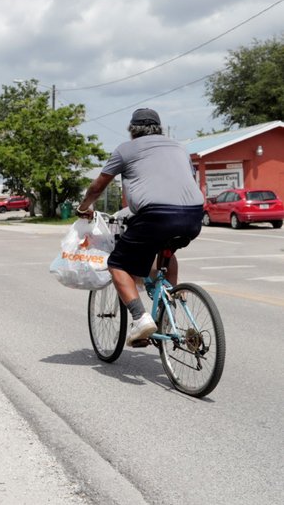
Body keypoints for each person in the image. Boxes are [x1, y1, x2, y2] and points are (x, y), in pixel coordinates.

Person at [76, 108, 204, 345]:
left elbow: (98, 186)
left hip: (155, 215)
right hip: (194, 214)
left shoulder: (125, 149)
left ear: (132, 130)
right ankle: (169, 308)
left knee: (117, 264)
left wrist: (84, 207)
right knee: (166, 250)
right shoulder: (178, 148)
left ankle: (140, 318)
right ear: (159, 128)